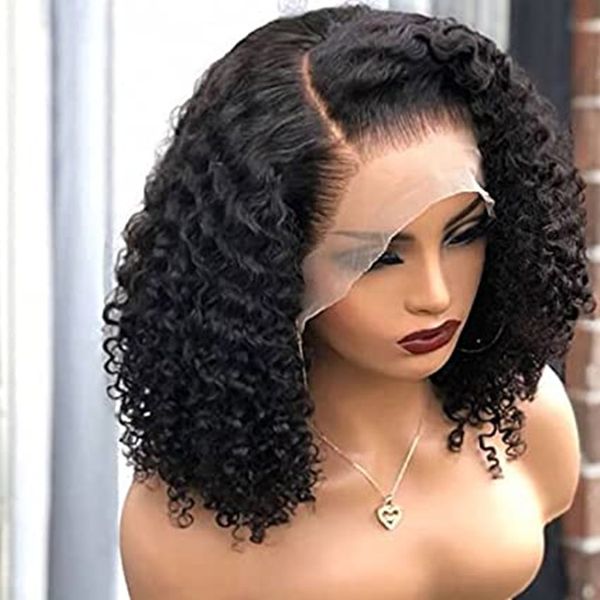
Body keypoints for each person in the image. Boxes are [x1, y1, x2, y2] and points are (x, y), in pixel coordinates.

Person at [103, 5, 596, 599]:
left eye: (464, 235)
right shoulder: (187, 524)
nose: (435, 295)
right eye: (378, 257)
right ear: (269, 261)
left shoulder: (525, 416)